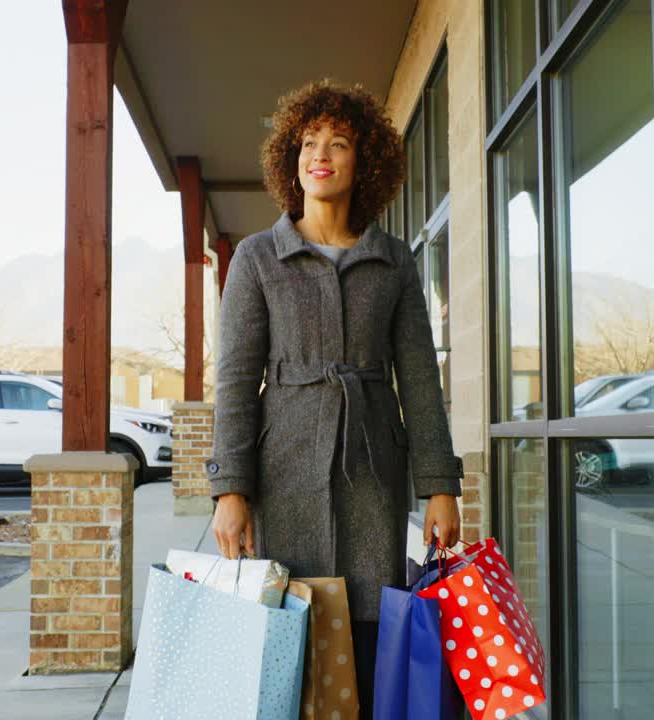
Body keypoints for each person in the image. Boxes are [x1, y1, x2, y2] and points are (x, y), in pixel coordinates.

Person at [203, 78, 464, 718]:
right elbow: (235, 381)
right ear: (291, 162)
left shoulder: (395, 262)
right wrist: (229, 489)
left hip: (374, 476)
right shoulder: (258, 258)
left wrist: (440, 485)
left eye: (338, 143)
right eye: (308, 143)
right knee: (289, 641)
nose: (320, 154)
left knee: (374, 639)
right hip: (282, 476)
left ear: (364, 160)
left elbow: (421, 380)